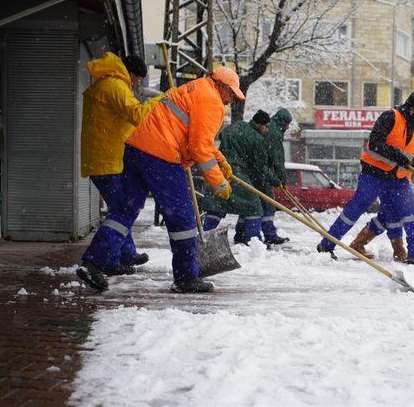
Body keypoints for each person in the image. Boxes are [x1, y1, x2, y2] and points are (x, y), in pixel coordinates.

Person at [77, 66, 243, 293]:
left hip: (136, 149)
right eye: (231, 94)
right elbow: (199, 146)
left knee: (125, 209)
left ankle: (94, 263)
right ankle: (186, 278)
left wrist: (220, 160)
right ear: (221, 86)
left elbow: (196, 137)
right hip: (161, 155)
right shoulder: (212, 100)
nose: (231, 100)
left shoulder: (195, 89)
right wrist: (218, 182)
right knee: (183, 217)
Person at [316, 89, 414, 264]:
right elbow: (375, 143)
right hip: (374, 175)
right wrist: (397, 156)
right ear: (413, 106)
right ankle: (327, 245)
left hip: (398, 179)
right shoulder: (390, 117)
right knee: (354, 210)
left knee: (411, 215)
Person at [80, 52, 161, 270]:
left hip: (105, 158)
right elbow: (137, 114)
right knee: (121, 212)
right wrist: (162, 100)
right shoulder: (115, 86)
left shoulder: (108, 84)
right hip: (107, 160)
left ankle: (125, 254)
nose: (137, 84)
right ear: (132, 74)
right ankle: (109, 260)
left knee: (121, 209)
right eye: (138, 79)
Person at [201, 110, 281, 245]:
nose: (267, 130)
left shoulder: (237, 125)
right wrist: (275, 181)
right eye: (266, 126)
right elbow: (260, 168)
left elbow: (222, 134)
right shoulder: (257, 139)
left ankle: (203, 237)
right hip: (237, 174)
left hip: (219, 171)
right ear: (260, 124)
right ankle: (252, 242)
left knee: (217, 205)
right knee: (254, 206)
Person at [259, 108, 293, 246]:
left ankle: (245, 235)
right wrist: (282, 179)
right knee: (268, 204)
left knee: (255, 205)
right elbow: (277, 158)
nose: (288, 127)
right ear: (283, 122)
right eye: (287, 123)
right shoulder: (275, 133)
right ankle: (269, 235)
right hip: (263, 172)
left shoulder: (270, 127)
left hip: (259, 170)